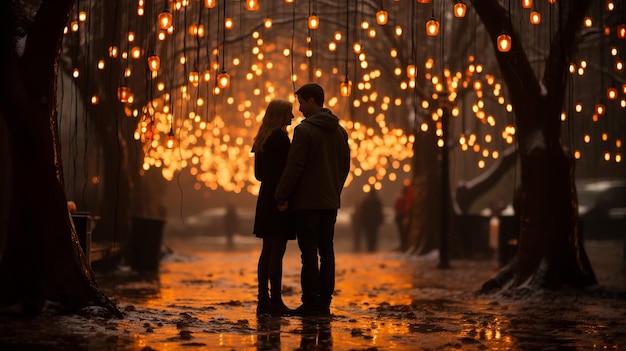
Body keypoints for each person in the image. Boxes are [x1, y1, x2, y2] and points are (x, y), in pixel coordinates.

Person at [275, 83, 351, 317]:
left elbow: (295, 166)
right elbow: (344, 166)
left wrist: (281, 194)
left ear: (311, 100)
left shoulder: (304, 131)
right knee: (327, 252)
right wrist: (334, 190)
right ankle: (324, 303)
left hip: (307, 203)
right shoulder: (339, 131)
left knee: (308, 254)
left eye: (301, 102)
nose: (298, 108)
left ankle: (309, 302)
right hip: (329, 202)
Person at [252, 99, 296, 316]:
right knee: (277, 251)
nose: (293, 117)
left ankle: (263, 299)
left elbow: (259, 174)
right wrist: (283, 198)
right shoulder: (280, 138)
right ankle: (276, 300)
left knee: (267, 250)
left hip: (265, 197)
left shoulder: (262, 138)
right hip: (278, 198)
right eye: (289, 113)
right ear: (280, 115)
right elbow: (284, 171)